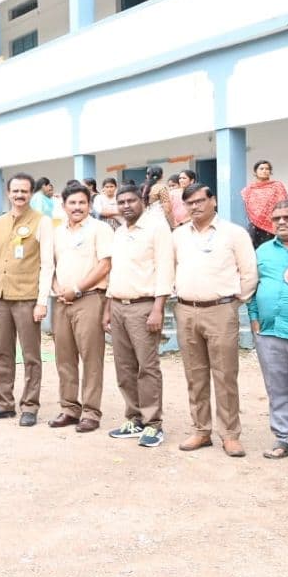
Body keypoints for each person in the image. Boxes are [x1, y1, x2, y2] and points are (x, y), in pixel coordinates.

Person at [172, 182, 258, 457]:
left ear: (213, 201)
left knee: (225, 375)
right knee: (194, 375)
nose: (194, 207)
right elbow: (171, 267)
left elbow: (249, 272)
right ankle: (201, 430)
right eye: (189, 203)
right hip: (186, 310)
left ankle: (230, 434)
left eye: (199, 201)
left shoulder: (234, 234)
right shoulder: (178, 235)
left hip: (221, 310)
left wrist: (233, 302)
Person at [104, 183, 174, 448]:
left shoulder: (157, 228)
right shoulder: (120, 231)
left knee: (147, 367)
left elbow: (165, 268)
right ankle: (134, 418)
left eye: (131, 201)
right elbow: (116, 272)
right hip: (119, 306)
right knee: (124, 367)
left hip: (145, 306)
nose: (126, 206)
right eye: (121, 202)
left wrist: (158, 308)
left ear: (141, 201)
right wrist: (109, 309)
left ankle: (153, 423)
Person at [0, 173, 54, 426]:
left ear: (31, 193)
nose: (20, 195)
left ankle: (30, 406)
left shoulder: (42, 222)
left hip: (27, 298)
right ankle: (4, 403)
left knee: (31, 355)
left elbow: (47, 264)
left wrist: (42, 301)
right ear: (8, 193)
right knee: (1, 353)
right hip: (1, 297)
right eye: (15, 191)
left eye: (24, 191)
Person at [48, 183, 113, 433]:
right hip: (61, 301)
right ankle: (69, 409)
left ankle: (90, 412)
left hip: (89, 298)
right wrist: (57, 288)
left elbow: (105, 265)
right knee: (64, 357)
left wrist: (76, 288)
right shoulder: (58, 233)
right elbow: (51, 265)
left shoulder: (101, 229)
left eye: (82, 203)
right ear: (64, 206)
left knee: (91, 357)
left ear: (89, 205)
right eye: (72, 203)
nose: (77, 207)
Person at [249, 198, 288, 460]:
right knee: (277, 388)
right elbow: (252, 287)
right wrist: (253, 318)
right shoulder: (262, 251)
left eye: (287, 217)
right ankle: (284, 438)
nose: (282, 222)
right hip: (270, 331)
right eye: (277, 219)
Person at [241, 160, 288, 249]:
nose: (264, 171)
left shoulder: (277, 186)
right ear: (255, 172)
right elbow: (250, 208)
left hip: (274, 223)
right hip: (255, 226)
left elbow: (283, 204)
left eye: (267, 169)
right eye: (261, 169)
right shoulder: (248, 190)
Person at [140, 165, 174, 230]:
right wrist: (173, 225)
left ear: (147, 176)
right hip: (159, 222)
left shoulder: (144, 188)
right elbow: (167, 209)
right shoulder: (162, 188)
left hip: (146, 222)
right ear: (162, 176)